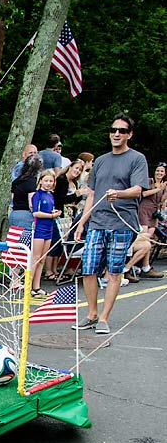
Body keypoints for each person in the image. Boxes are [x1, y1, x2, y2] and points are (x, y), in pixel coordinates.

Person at [73, 114, 149, 335]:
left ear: (129, 135)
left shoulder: (137, 159)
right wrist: (81, 223)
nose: (117, 134)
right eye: (113, 130)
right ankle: (92, 314)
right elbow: (92, 194)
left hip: (122, 223)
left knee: (114, 272)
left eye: (122, 131)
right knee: (88, 269)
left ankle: (104, 318)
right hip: (97, 221)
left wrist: (120, 194)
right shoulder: (102, 161)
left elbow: (138, 189)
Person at [123, 162, 165, 281]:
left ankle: (143, 266)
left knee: (148, 241)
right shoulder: (149, 181)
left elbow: (161, 200)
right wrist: (157, 189)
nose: (159, 173)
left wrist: (163, 191)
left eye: (162, 171)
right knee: (143, 238)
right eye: (158, 170)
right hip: (144, 211)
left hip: (154, 213)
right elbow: (144, 193)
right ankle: (137, 267)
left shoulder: (163, 185)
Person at [30, 169, 61, 296]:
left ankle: (37, 286)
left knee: (42, 259)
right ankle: (29, 286)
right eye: (46, 180)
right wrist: (50, 216)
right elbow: (35, 213)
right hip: (39, 229)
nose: (48, 183)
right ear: (41, 181)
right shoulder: (37, 195)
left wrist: (54, 213)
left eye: (51, 181)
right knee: (36, 258)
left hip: (49, 228)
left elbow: (50, 209)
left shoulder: (50, 195)